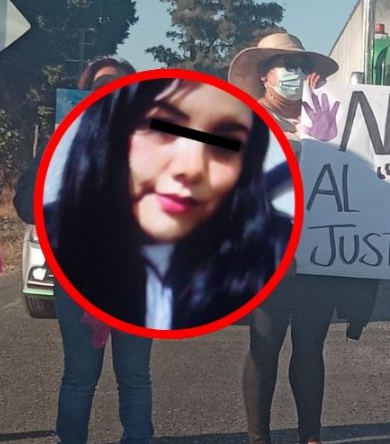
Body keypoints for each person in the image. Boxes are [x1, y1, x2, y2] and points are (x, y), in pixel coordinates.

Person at [229, 32, 377, 444]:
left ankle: (311, 441)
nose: (293, 75)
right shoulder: (248, 122)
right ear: (263, 75)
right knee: (265, 345)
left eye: (300, 66)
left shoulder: (337, 125)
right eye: (284, 66)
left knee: (311, 347)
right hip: (269, 256)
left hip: (320, 257)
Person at [46, 77, 291, 330]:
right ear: (111, 131)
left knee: (134, 370)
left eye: (225, 145)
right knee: (81, 370)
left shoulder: (260, 249)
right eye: (163, 129)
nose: (191, 168)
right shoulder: (60, 227)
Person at [13, 58, 157, 444]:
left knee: (135, 375)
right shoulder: (58, 144)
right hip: (78, 277)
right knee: (79, 374)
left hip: (133, 277)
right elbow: (27, 207)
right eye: (99, 86)